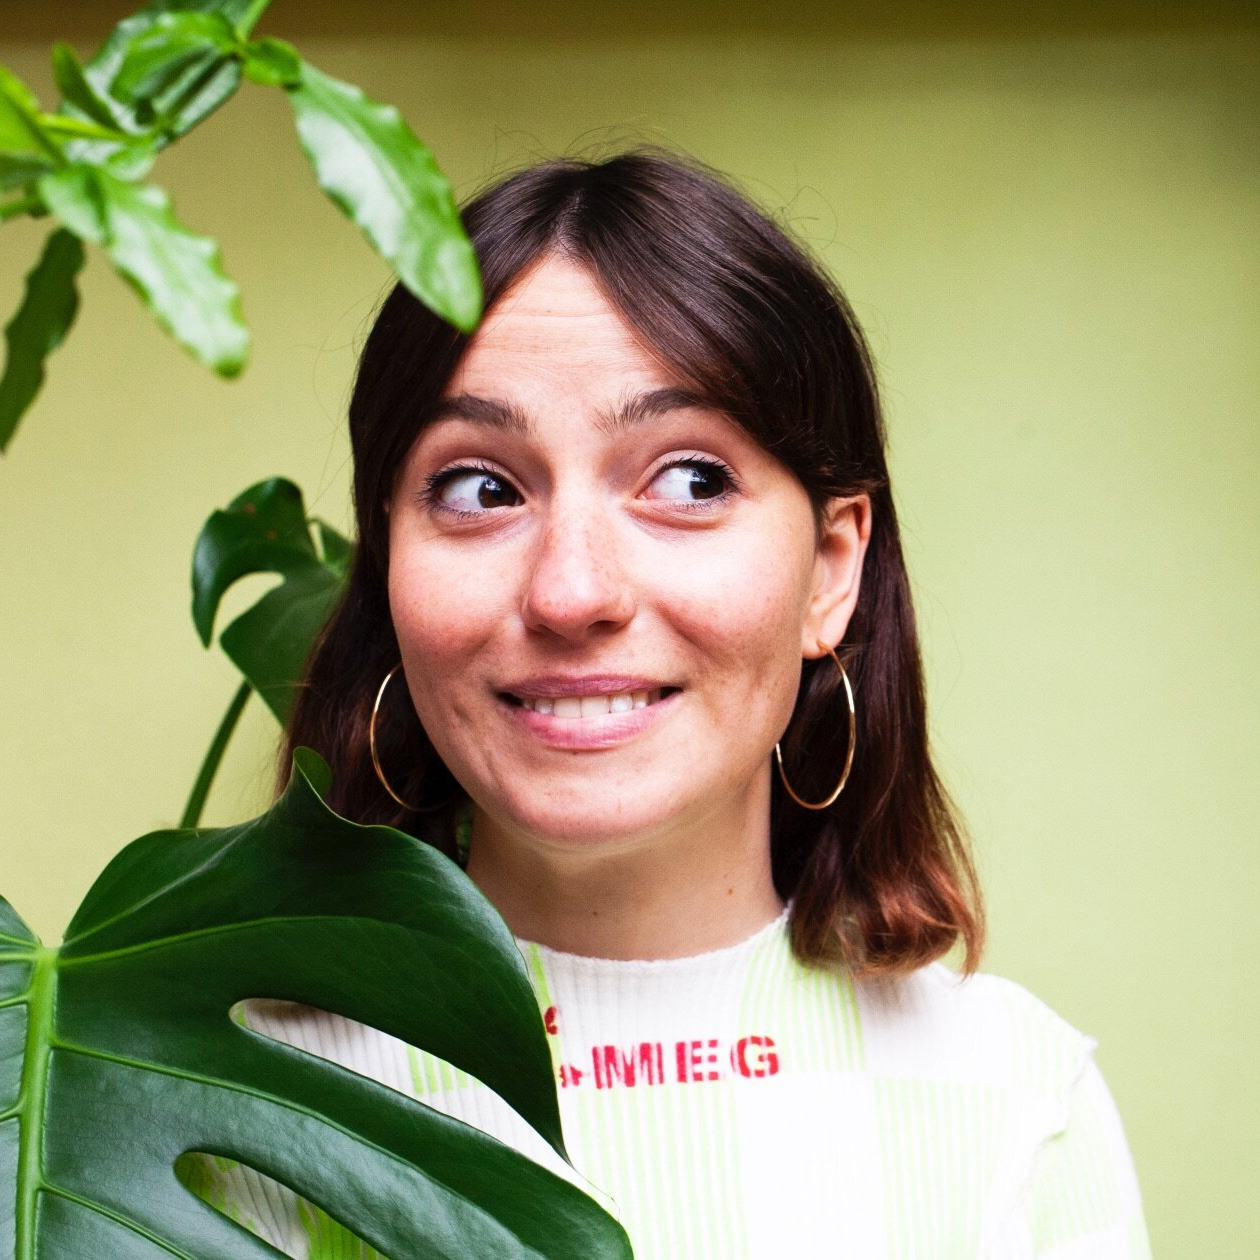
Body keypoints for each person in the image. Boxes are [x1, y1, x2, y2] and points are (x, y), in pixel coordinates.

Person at [189, 150, 1150, 1257]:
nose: (572, 590)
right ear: (389, 572)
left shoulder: (1021, 1109)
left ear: (831, 568)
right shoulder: (238, 1094)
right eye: (479, 487)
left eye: (690, 480)